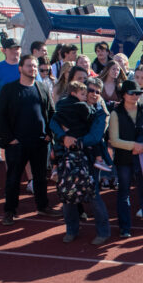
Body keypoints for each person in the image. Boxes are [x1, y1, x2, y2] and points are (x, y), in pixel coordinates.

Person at [0, 54, 58, 225]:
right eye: (29, 66)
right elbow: (0, 116)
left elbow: (52, 112)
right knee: (13, 178)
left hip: (40, 142)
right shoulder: (9, 89)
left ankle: (43, 206)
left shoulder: (42, 88)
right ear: (20, 68)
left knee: (40, 177)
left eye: (35, 66)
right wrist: (10, 139)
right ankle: (10, 211)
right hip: (17, 144)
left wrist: (49, 134)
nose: (33, 69)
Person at [51, 80, 111, 245]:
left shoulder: (100, 112)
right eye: (90, 90)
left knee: (93, 195)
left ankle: (103, 232)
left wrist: (74, 140)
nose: (93, 94)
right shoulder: (71, 106)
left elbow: (95, 136)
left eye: (97, 92)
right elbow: (53, 122)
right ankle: (71, 229)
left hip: (89, 157)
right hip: (68, 157)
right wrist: (64, 138)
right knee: (68, 195)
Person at [109, 80, 143, 237]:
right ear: (123, 95)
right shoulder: (115, 113)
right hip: (123, 159)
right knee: (124, 192)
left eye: (138, 93)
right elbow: (114, 140)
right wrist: (134, 146)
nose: (135, 96)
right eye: (132, 93)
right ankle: (125, 227)